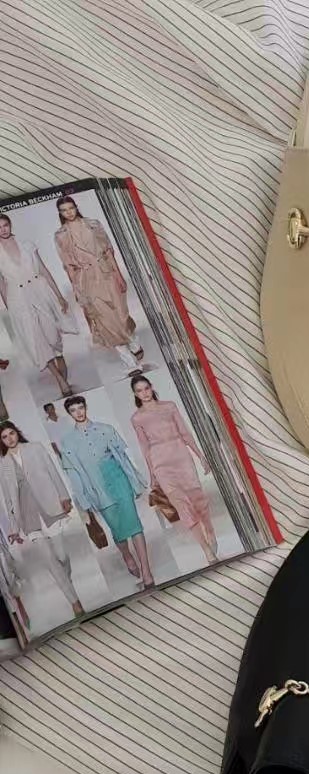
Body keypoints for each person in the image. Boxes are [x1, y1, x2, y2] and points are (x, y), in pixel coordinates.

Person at [58, 395, 155, 588]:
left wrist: (135, 481)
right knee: (117, 528)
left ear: (86, 407)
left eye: (80, 407)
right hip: (97, 488)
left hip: (118, 479)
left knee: (134, 524)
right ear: (69, 414)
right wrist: (84, 501)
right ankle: (127, 555)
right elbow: (73, 474)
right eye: (73, 410)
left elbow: (123, 458)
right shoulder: (68, 442)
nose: (78, 412)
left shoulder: (105, 429)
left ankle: (147, 572)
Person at [130, 375, 217, 564]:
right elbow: (145, 447)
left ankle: (209, 529)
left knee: (198, 500)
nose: (144, 393)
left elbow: (185, 432)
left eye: (146, 388)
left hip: (181, 455)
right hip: (160, 463)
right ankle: (205, 549)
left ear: (151, 387)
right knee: (181, 506)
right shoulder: (137, 418)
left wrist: (200, 456)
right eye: (139, 391)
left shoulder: (169, 407)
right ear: (135, 394)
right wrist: (152, 474)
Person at [0, 420, 84, 617]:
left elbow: (53, 471)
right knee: (49, 561)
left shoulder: (35, 448)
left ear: (17, 432)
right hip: (27, 514)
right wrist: (13, 527)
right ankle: (75, 602)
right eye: (4, 437)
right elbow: (7, 498)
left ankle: (66, 582)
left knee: (61, 556)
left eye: (11, 433)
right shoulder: (3, 464)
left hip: (50, 506)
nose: (9, 439)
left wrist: (64, 496)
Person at [54, 196, 144, 374]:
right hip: (86, 280)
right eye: (64, 210)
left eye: (71, 208)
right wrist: (77, 290)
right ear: (60, 213)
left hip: (106, 273)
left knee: (121, 314)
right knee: (105, 320)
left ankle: (133, 340)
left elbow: (109, 251)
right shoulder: (60, 235)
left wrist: (119, 275)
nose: (69, 212)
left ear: (76, 207)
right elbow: (68, 266)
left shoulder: (93, 224)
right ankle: (129, 362)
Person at [0, 212, 77, 395]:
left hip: (40, 291)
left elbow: (43, 270)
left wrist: (59, 296)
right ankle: (59, 380)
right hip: (17, 297)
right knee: (36, 340)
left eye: (5, 225)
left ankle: (59, 356)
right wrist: (11, 308)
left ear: (10, 225)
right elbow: (1, 284)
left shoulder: (26, 244)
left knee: (52, 335)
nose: (3, 230)